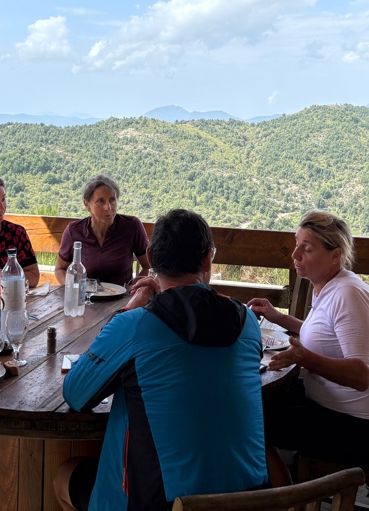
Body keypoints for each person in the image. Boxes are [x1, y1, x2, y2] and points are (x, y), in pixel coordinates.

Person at [55, 209, 267, 511]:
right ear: (207, 260)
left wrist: (132, 308)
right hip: (249, 500)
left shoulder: (135, 324)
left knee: (64, 475)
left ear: (151, 258)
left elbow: (76, 393)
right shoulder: (247, 322)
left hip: (162, 502)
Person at [249, 210, 369, 468]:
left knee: (253, 422)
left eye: (306, 249)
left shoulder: (348, 295)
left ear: (335, 255)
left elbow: (361, 376)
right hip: (332, 407)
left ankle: (282, 488)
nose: (295, 255)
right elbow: (323, 334)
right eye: (297, 244)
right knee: (259, 404)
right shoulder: (330, 286)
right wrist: (276, 316)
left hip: (362, 427)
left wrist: (305, 358)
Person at [55, 175, 150, 287]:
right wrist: (73, 288)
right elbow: (60, 269)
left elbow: (149, 266)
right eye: (101, 201)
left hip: (122, 296)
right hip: (85, 296)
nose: (108, 207)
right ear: (87, 205)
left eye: (112, 200)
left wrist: (133, 288)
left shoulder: (131, 226)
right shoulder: (74, 231)